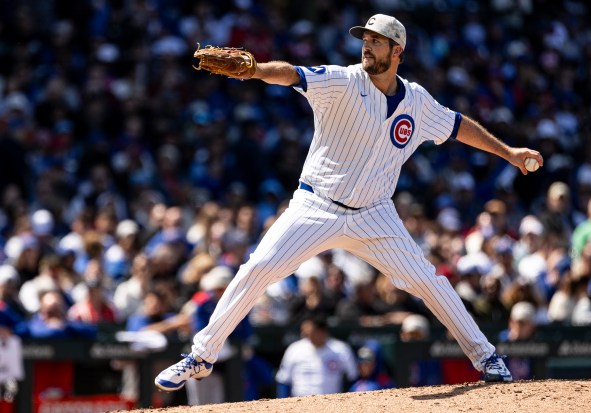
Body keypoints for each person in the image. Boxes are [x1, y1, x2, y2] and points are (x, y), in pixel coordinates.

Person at [155, 13, 544, 391]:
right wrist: (256, 70)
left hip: (374, 214)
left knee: (429, 281)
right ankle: (202, 356)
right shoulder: (342, 81)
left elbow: (459, 126)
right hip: (316, 206)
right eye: (365, 39)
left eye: (376, 41)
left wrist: (509, 152)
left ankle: (487, 357)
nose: (367, 46)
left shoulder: (418, 102)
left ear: (397, 53)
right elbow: (293, 73)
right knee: (258, 267)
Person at [275, 315, 358, 397]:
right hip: (300, 403)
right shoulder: (294, 349)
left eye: (310, 332)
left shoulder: (340, 349)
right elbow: (283, 380)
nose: (305, 334)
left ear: (322, 331)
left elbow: (353, 377)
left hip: (331, 404)